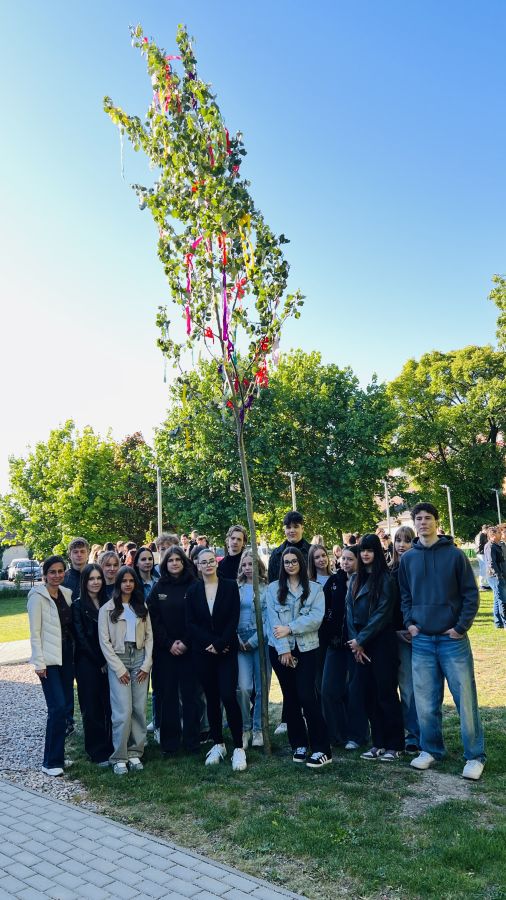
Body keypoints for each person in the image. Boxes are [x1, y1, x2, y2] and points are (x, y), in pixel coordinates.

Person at [399, 502, 485, 780]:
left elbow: (471, 594)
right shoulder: (408, 559)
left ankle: (474, 756)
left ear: (437, 522)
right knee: (425, 702)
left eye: (428, 518)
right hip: (422, 640)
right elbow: (405, 596)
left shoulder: (455, 555)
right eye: (418, 519)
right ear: (414, 523)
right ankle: (431, 750)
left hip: (452, 640)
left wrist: (460, 627)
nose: (423, 522)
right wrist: (410, 623)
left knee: (465, 700)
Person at [266, 546, 332, 768]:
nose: (290, 565)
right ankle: (299, 744)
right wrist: (284, 649)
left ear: (301, 563)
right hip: (280, 650)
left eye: (294, 561)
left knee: (307, 696)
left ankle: (322, 747)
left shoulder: (314, 589)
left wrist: (290, 628)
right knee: (291, 697)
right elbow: (272, 621)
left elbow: (315, 618)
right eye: (287, 562)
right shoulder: (273, 589)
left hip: (307, 649)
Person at [185, 548, 247, 771]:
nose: (208, 564)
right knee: (211, 698)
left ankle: (238, 747)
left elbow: (234, 618)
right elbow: (191, 623)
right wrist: (209, 643)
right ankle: (218, 743)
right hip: (203, 652)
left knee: (228, 695)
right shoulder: (193, 590)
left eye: (212, 561)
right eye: (204, 562)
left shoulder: (230, 586)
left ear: (216, 563)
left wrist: (220, 643)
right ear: (198, 565)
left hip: (226, 650)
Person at [346, 533, 404, 762]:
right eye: (362, 550)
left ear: (377, 552)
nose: (365, 554)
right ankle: (378, 742)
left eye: (370, 550)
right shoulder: (354, 579)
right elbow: (349, 612)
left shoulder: (386, 579)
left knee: (386, 693)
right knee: (368, 694)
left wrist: (361, 640)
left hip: (381, 642)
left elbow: (382, 613)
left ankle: (395, 744)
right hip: (360, 643)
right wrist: (355, 643)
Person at [98, 566, 153, 775]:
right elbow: (104, 642)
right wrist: (118, 668)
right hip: (119, 659)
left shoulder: (141, 606)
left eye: (131, 581)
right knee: (123, 710)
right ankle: (119, 756)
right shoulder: (107, 609)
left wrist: (146, 664)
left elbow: (149, 636)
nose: (128, 584)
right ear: (118, 583)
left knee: (139, 708)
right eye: (124, 581)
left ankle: (135, 752)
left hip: (139, 658)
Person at [147, 546, 200, 755]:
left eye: (178, 559)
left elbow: (198, 617)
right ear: (165, 564)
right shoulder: (159, 587)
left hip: (190, 650)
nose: (175, 563)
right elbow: (153, 619)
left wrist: (185, 642)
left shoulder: (194, 585)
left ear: (184, 562)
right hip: (165, 651)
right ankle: (170, 744)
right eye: (170, 560)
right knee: (167, 696)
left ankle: (192, 742)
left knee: (190, 697)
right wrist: (169, 643)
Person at [27, 556, 74, 776]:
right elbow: (34, 633)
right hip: (48, 660)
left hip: (66, 656)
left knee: (65, 708)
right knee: (57, 708)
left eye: (60, 571)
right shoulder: (37, 597)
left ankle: (59, 756)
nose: (57, 575)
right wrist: (39, 662)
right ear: (45, 574)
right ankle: (50, 762)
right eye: (52, 572)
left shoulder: (66, 594)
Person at [320, 545, 363, 749]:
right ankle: (335, 734)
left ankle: (357, 735)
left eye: (350, 559)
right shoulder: (334, 581)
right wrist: (328, 634)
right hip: (335, 644)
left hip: (357, 645)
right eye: (343, 558)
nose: (345, 562)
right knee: (328, 689)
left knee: (355, 691)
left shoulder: (365, 582)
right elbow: (324, 609)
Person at [72, 564, 113, 765]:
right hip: (87, 663)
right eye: (91, 579)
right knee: (92, 707)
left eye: (98, 578)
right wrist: (99, 661)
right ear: (85, 581)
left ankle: (112, 745)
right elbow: (81, 639)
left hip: (109, 661)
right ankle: (96, 751)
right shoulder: (78, 606)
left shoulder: (109, 603)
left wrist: (108, 660)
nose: (96, 582)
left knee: (110, 705)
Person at [390, 526, 420, 754]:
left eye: (407, 540)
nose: (402, 545)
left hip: (418, 633)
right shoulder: (389, 571)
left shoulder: (418, 569)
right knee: (404, 688)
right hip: (396, 636)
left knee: (419, 688)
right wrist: (396, 630)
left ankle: (419, 733)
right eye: (398, 540)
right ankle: (408, 734)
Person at [236, 550, 270, 748]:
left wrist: (254, 641)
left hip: (260, 641)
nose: (248, 568)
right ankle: (245, 727)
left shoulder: (267, 588)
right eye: (245, 565)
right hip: (240, 641)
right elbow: (230, 614)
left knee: (261, 687)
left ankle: (258, 729)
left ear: (259, 566)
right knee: (243, 687)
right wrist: (237, 638)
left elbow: (268, 619)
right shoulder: (236, 588)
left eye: (252, 564)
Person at [267, 511, 311, 584]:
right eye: (288, 527)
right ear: (284, 530)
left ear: (302, 529)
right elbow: (272, 582)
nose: (292, 530)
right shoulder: (276, 554)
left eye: (296, 527)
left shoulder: (312, 552)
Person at [483, 526, 506, 629]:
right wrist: (498, 575)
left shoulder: (497, 545)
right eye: (498, 533)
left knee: (498, 599)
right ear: (492, 535)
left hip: (499, 575)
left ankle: (498, 622)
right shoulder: (490, 546)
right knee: (502, 600)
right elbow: (491, 563)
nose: (501, 534)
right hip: (495, 576)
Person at [474, 524, 491, 591]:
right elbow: (479, 546)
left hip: (483, 553)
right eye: (488, 529)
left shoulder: (483, 535)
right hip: (481, 553)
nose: (489, 531)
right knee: (483, 569)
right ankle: (481, 585)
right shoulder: (480, 535)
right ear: (485, 529)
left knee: (485, 568)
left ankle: (485, 584)